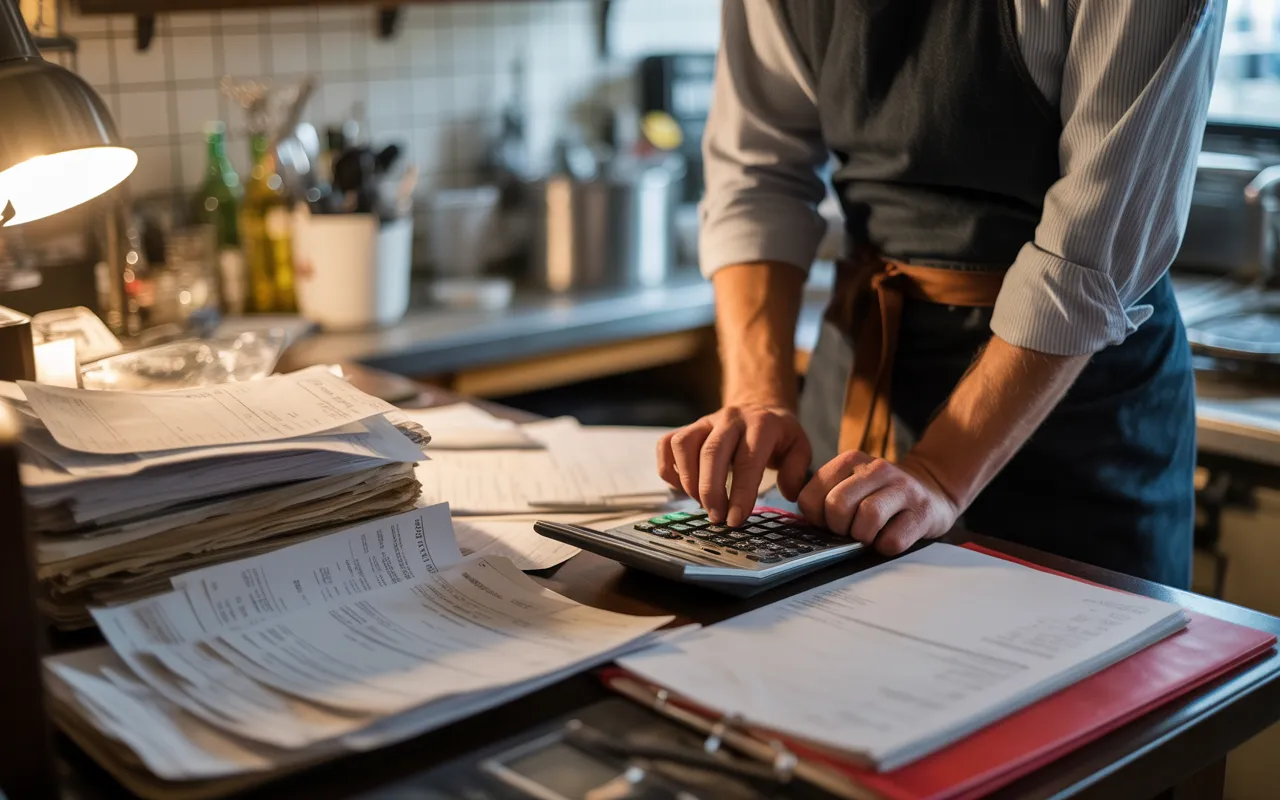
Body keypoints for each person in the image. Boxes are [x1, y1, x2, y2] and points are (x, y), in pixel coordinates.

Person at [656, 0, 1227, 588]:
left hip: (1073, 418)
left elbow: (1092, 253)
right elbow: (758, 178)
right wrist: (759, 396)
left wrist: (940, 474)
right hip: (858, 376)